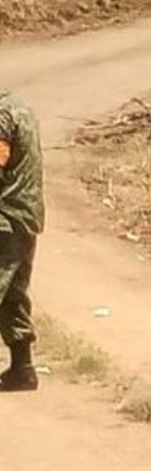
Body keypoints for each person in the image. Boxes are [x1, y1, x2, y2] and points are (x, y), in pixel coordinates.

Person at [0, 91, 43, 391]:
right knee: (14, 294)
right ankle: (22, 368)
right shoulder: (21, 107)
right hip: (26, 214)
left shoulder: (2, 116)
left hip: (5, 215)